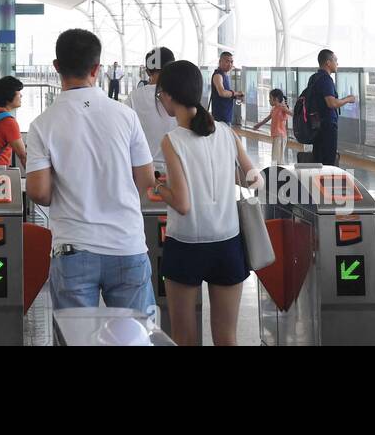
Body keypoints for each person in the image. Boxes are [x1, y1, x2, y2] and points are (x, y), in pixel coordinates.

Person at [27, 29, 156, 311]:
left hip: (73, 249)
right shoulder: (126, 116)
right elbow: (146, 183)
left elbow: (39, 192)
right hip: (127, 246)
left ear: (57, 67)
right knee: (133, 340)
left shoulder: (42, 124)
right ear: (97, 68)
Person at [153, 60, 259, 346]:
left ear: (169, 96)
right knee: (227, 337)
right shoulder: (226, 132)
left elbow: (183, 204)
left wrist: (158, 185)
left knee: (185, 338)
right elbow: (254, 180)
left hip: (186, 244)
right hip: (227, 243)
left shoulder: (172, 140)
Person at [125, 47, 177, 173]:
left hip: (143, 167)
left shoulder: (134, 96)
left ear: (148, 70)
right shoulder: (179, 94)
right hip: (176, 167)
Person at [309, 49, 356, 166]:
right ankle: (327, 183)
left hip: (316, 124)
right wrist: (348, 99)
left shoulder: (313, 78)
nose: (337, 64)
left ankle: (317, 183)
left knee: (318, 160)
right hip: (327, 126)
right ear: (328, 63)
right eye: (335, 60)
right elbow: (332, 103)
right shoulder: (326, 79)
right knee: (328, 161)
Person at [254, 89, 291, 165]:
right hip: (276, 135)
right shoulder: (274, 109)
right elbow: (267, 118)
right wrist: (259, 125)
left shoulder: (282, 107)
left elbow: (291, 113)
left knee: (277, 158)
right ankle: (276, 173)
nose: (269, 100)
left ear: (276, 99)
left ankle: (278, 173)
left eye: (270, 98)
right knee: (276, 157)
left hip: (280, 136)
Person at [208, 51, 241, 127]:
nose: (230, 64)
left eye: (231, 62)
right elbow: (222, 93)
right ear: (220, 62)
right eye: (227, 61)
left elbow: (226, 94)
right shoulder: (218, 75)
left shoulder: (225, 75)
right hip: (220, 117)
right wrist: (236, 93)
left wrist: (235, 96)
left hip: (226, 115)